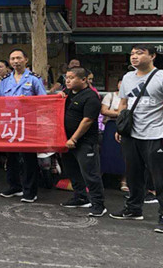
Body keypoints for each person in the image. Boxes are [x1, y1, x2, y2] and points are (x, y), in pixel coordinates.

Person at [110, 45, 163, 234]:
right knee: (133, 174)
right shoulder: (127, 77)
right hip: (131, 134)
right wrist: (121, 127)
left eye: (140, 53)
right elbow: (123, 103)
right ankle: (133, 209)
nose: (134, 57)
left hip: (156, 134)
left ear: (152, 56)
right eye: (132, 54)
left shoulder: (160, 77)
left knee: (159, 178)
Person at [0, 49, 47, 203]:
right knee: (11, 157)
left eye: (18, 58)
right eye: (12, 58)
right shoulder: (5, 80)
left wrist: (29, 102)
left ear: (26, 60)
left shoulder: (34, 79)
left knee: (28, 158)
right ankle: (14, 186)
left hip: (28, 123)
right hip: (10, 123)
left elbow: (43, 101)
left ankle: (30, 191)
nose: (15, 61)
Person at [60, 67, 107, 217]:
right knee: (72, 171)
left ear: (83, 79)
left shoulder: (91, 97)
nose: (67, 81)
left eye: (71, 78)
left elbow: (87, 121)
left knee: (90, 174)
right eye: (66, 78)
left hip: (84, 142)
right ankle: (80, 197)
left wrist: (74, 138)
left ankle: (98, 204)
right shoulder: (67, 93)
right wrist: (59, 96)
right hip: (66, 141)